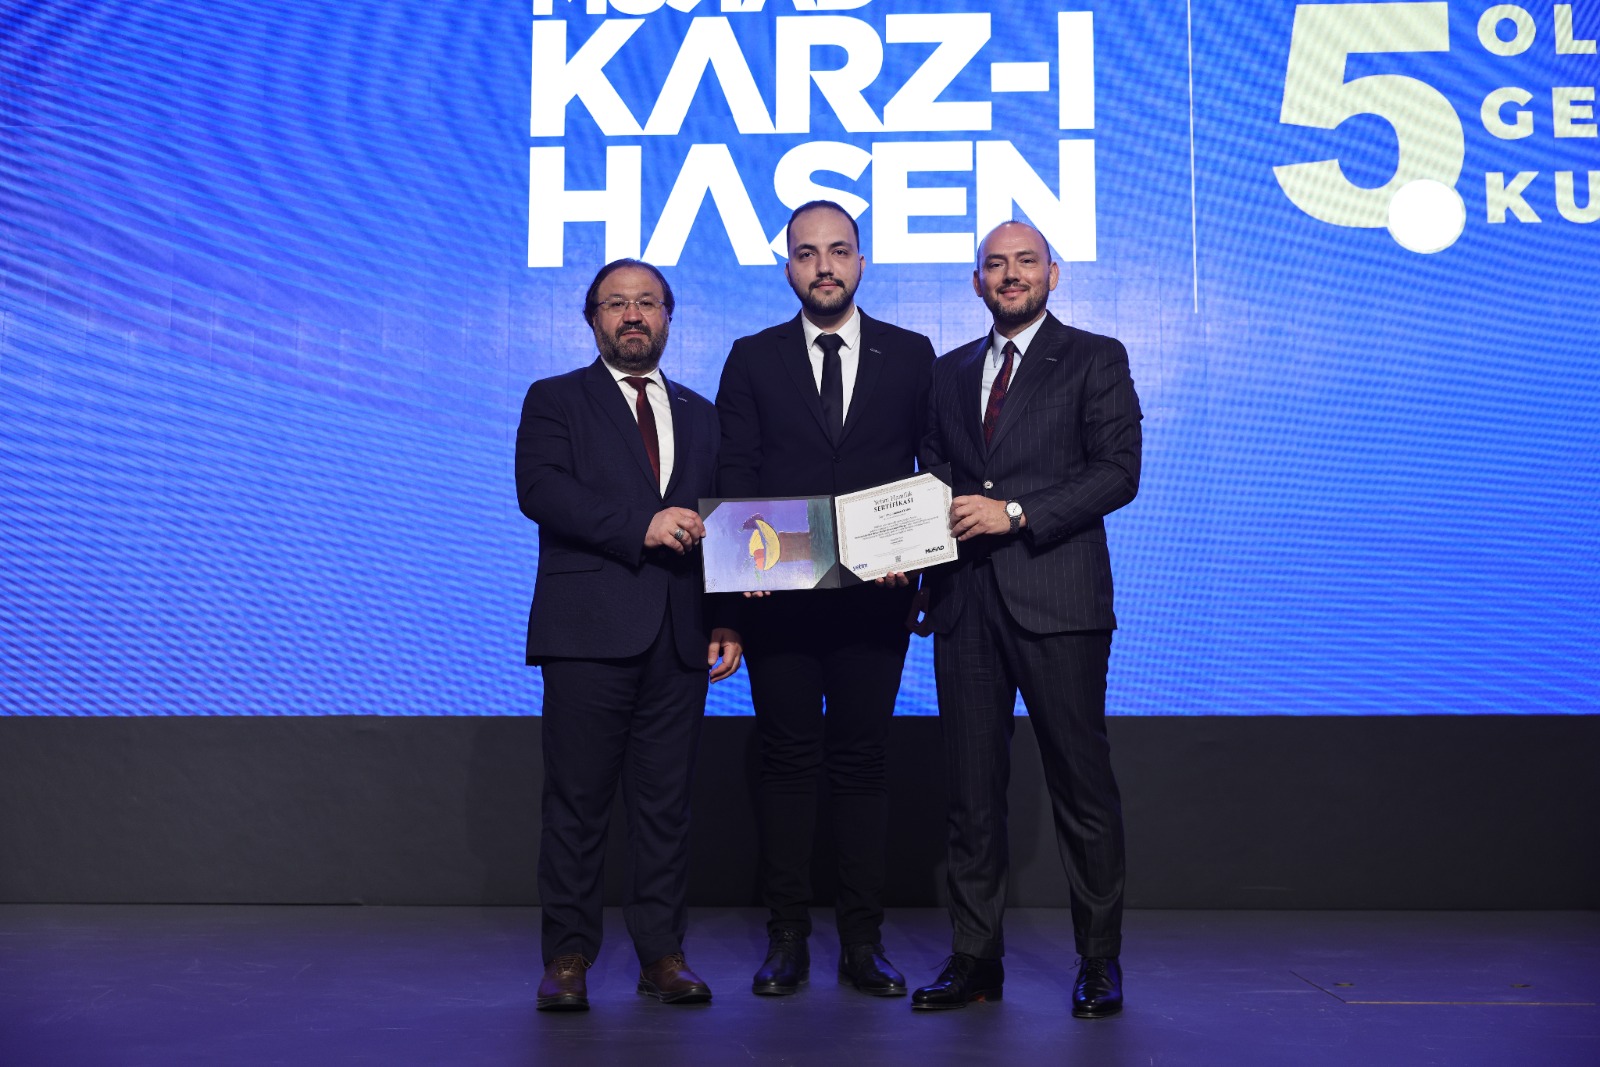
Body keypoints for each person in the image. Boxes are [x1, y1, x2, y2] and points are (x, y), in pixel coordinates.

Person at [911, 221, 1142, 1017]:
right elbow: (934, 476)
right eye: (996, 264)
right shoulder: (948, 372)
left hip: (1060, 600)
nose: (1011, 274)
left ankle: (1100, 960)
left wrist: (1013, 511)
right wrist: (914, 556)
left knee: (1082, 786)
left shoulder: (1095, 357)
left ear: (1054, 273)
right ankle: (975, 957)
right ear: (977, 281)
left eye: (1026, 262)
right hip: (963, 603)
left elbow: (1118, 473)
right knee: (971, 795)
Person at [715, 201, 935, 997]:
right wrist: (731, 586)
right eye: (807, 253)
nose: (824, 266)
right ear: (788, 269)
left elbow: (931, 465)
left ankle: (862, 941)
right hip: (780, 601)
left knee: (863, 763)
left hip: (877, 601)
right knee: (786, 763)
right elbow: (735, 472)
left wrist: (917, 559)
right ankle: (787, 938)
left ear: (862, 262)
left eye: (838, 250)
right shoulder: (752, 357)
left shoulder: (911, 354)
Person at [515, 258, 743, 1012]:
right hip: (586, 633)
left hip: (681, 634)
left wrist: (727, 616)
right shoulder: (554, 399)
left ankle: (662, 956)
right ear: (593, 319)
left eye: (647, 302)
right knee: (576, 804)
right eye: (616, 303)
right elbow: (541, 491)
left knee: (665, 808)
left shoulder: (702, 412)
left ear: (670, 317)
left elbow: (724, 519)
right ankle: (567, 957)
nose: (633, 315)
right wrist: (639, 526)